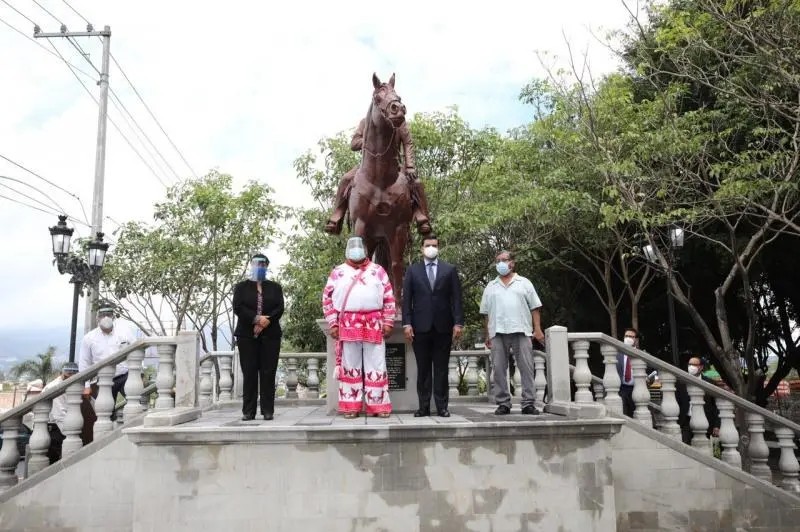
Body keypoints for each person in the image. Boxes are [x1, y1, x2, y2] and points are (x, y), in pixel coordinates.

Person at [322, 237, 395, 418]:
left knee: (376, 363)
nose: (356, 250)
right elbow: (327, 299)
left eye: (359, 247)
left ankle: (378, 406)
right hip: (347, 323)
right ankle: (350, 407)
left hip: (374, 322)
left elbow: (388, 297)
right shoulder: (337, 272)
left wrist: (388, 321)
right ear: (347, 250)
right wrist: (333, 323)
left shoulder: (378, 271)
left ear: (365, 250)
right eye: (352, 247)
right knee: (349, 365)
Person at [324, 117, 431, 235]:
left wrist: (410, 166)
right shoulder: (366, 122)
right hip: (368, 166)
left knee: (416, 183)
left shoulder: (399, 122)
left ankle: (422, 217)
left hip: (394, 166)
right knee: (346, 178)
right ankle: (337, 214)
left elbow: (407, 142)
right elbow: (354, 144)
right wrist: (371, 139)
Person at [401, 235, 464, 417]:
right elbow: (407, 301)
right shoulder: (413, 271)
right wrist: (407, 324)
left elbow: (457, 298)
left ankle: (442, 407)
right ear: (422, 249)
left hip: (444, 327)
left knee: (441, 368)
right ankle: (424, 407)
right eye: (428, 245)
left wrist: (458, 322)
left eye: (434, 245)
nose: (431, 248)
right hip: (420, 327)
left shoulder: (449, 269)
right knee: (423, 369)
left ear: (439, 248)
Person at [480, 250, 544, 415]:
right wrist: (487, 334)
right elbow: (486, 313)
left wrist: (537, 329)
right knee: (499, 369)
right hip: (497, 332)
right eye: (498, 260)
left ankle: (528, 403)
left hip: (521, 330)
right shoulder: (491, 286)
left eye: (504, 260)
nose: (501, 263)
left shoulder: (524, 283)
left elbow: (535, 307)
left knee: (527, 368)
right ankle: (503, 403)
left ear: (512, 263)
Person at [232, 254, 284, 421]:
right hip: (246, 335)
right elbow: (238, 307)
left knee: (268, 372)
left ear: (267, 266)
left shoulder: (275, 287)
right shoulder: (241, 287)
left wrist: (265, 321)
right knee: (250, 372)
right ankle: (248, 411)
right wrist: (255, 319)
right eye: (256, 264)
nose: (259, 267)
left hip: (271, 334)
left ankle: (268, 410)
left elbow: (279, 307)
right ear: (251, 266)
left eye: (262, 264)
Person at [78, 305, 135, 443]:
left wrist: (141, 372)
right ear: (97, 318)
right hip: (103, 380)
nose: (106, 318)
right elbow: (84, 363)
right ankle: (109, 440)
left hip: (125, 375)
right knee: (106, 413)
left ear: (113, 316)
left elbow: (136, 351)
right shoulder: (89, 338)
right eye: (102, 315)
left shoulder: (125, 332)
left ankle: (132, 434)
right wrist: (86, 385)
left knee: (134, 403)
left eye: (109, 314)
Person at [676, 356, 720, 445]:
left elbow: (716, 406)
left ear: (701, 367)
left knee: (702, 448)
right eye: (689, 364)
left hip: (705, 421)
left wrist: (717, 425)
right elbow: (677, 401)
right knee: (686, 447)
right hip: (686, 422)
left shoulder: (709, 383)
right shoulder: (681, 382)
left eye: (694, 364)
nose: (691, 367)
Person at [41, 361, 79, 464]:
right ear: (61, 374)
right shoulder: (57, 387)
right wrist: (70, 434)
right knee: (56, 464)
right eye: (68, 375)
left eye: (73, 375)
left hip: (58, 427)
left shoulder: (68, 385)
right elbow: (59, 414)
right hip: (54, 429)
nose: (70, 377)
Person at [617, 328, 639, 417]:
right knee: (623, 413)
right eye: (626, 336)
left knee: (635, 413)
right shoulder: (616, 354)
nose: (628, 338)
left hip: (636, 388)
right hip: (621, 388)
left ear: (636, 340)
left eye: (631, 336)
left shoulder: (641, 354)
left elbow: (652, 373)